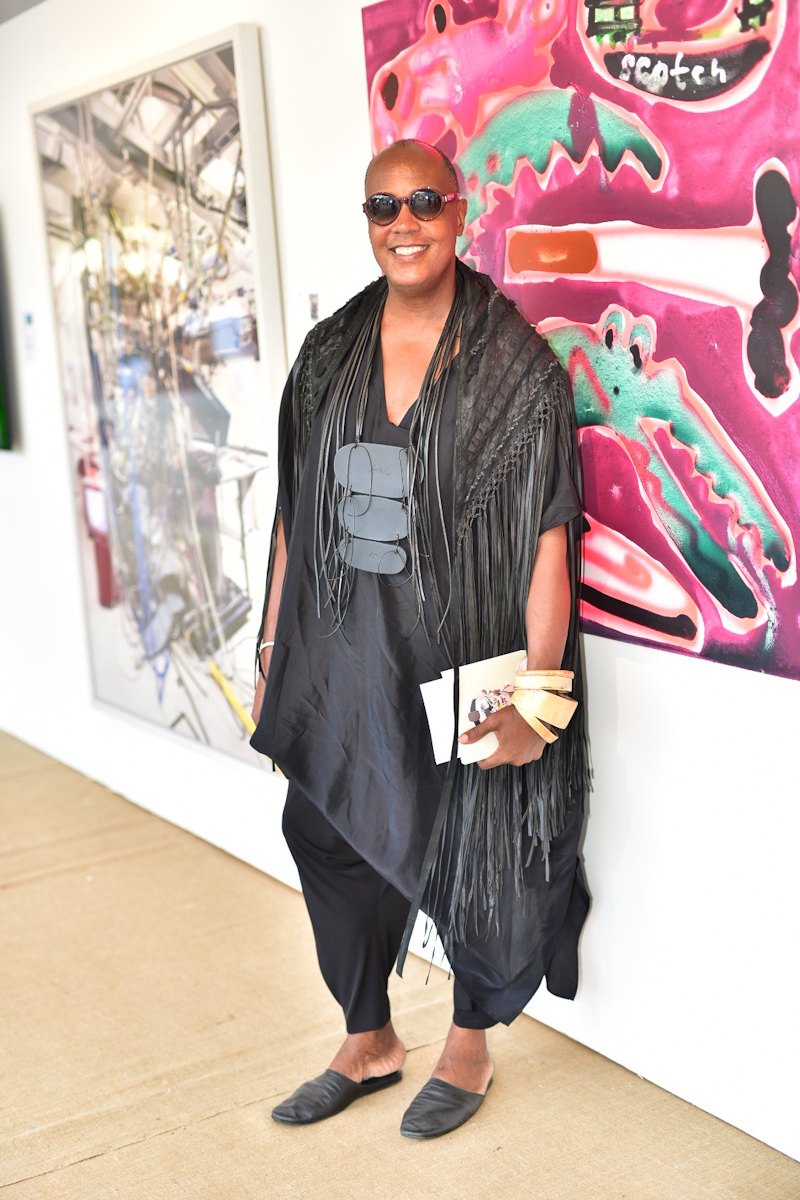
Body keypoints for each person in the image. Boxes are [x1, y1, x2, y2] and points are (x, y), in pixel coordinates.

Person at [251, 139, 589, 1139]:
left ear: (459, 213)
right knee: (321, 829)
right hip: (344, 652)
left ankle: (468, 1042)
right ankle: (368, 1039)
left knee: (481, 846)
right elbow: (294, 514)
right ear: (367, 220)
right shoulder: (328, 354)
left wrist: (536, 698)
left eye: (424, 202)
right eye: (383, 207)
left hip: (467, 658)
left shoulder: (516, 366)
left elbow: (547, 541)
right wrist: (272, 653)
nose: (404, 223)